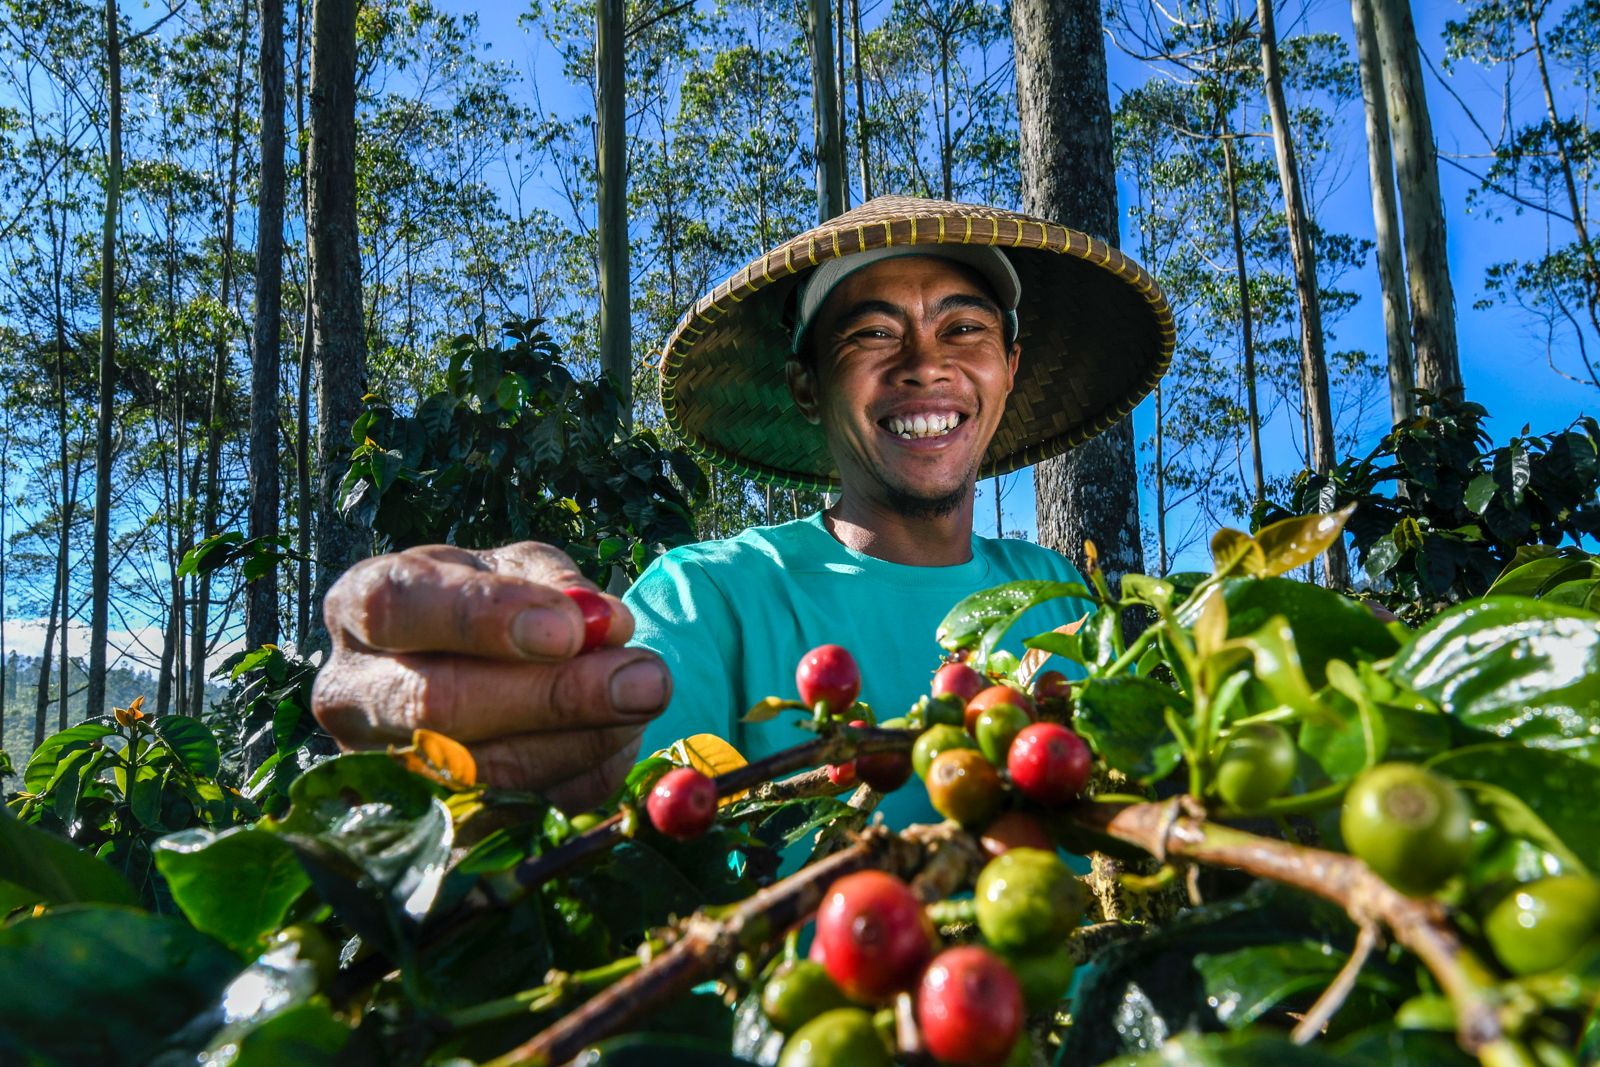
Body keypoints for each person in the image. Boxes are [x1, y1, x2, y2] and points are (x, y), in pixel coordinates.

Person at [312, 195, 1174, 821]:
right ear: (807, 385)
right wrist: (484, 734)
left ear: (1009, 368)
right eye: (871, 334)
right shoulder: (711, 598)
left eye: (964, 330)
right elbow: (610, 773)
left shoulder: (1065, 596)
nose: (925, 365)